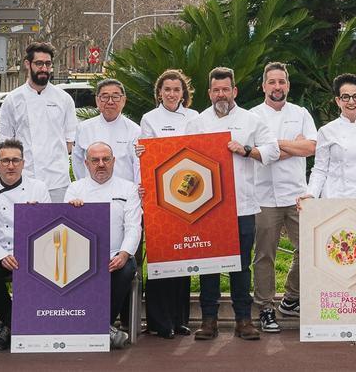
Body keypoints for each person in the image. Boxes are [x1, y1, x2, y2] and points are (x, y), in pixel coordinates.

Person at [184, 67, 281, 341]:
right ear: (209, 93)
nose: (221, 94)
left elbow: (272, 150)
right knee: (209, 266)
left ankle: (243, 320)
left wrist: (246, 150)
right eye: (216, 90)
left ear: (234, 91)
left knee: (241, 266)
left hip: (242, 206)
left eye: (225, 89)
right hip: (207, 208)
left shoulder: (251, 120)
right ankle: (208, 321)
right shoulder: (197, 122)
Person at [249, 62, 317, 333]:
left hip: (297, 194)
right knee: (264, 255)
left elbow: (311, 147)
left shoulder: (301, 113)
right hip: (263, 195)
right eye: (272, 82)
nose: (277, 87)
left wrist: (273, 147)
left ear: (288, 85)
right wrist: (291, 145)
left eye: (282, 82)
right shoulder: (252, 115)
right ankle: (265, 307)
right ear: (264, 85)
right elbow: (252, 152)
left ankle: (290, 298)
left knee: (309, 248)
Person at [138, 69, 199, 339]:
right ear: (159, 93)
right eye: (167, 90)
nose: (172, 94)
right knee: (161, 259)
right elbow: (148, 155)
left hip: (189, 195)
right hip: (160, 197)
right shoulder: (149, 119)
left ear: (183, 93)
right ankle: (158, 322)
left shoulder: (194, 118)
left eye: (177, 89)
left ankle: (180, 319)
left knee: (183, 259)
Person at [0, 139, 52, 350]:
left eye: (15, 160)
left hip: (32, 251)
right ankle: (15, 323)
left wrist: (36, 216)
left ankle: (9, 326)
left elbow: (50, 227)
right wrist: (1, 256)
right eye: (6, 160)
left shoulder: (38, 188)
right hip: (1, 252)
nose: (11, 165)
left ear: (23, 163)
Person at [65, 142, 143, 350]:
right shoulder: (75, 189)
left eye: (106, 159)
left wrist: (124, 254)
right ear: (86, 163)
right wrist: (72, 210)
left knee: (127, 269)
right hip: (82, 256)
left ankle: (97, 325)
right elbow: (65, 228)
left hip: (115, 255)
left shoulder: (129, 189)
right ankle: (103, 328)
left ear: (114, 162)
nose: (101, 164)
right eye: (95, 160)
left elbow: (134, 227)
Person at [0, 42, 78, 202]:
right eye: (39, 63)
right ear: (28, 64)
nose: (44, 68)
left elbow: (70, 141)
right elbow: (5, 142)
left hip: (57, 181)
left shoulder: (64, 99)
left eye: (47, 64)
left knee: (56, 227)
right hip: (24, 179)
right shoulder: (13, 99)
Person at [301, 73, 356, 201]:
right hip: (335, 199)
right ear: (338, 101)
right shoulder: (326, 131)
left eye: (355, 96)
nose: (351, 102)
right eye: (345, 97)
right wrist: (311, 194)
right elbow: (320, 170)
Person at [72, 79, 140, 185]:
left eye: (115, 96)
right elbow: (77, 161)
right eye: (105, 97)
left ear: (124, 100)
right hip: (91, 192)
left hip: (124, 193)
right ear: (97, 100)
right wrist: (84, 185)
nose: (110, 101)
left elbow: (138, 165)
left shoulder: (135, 130)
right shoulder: (84, 128)